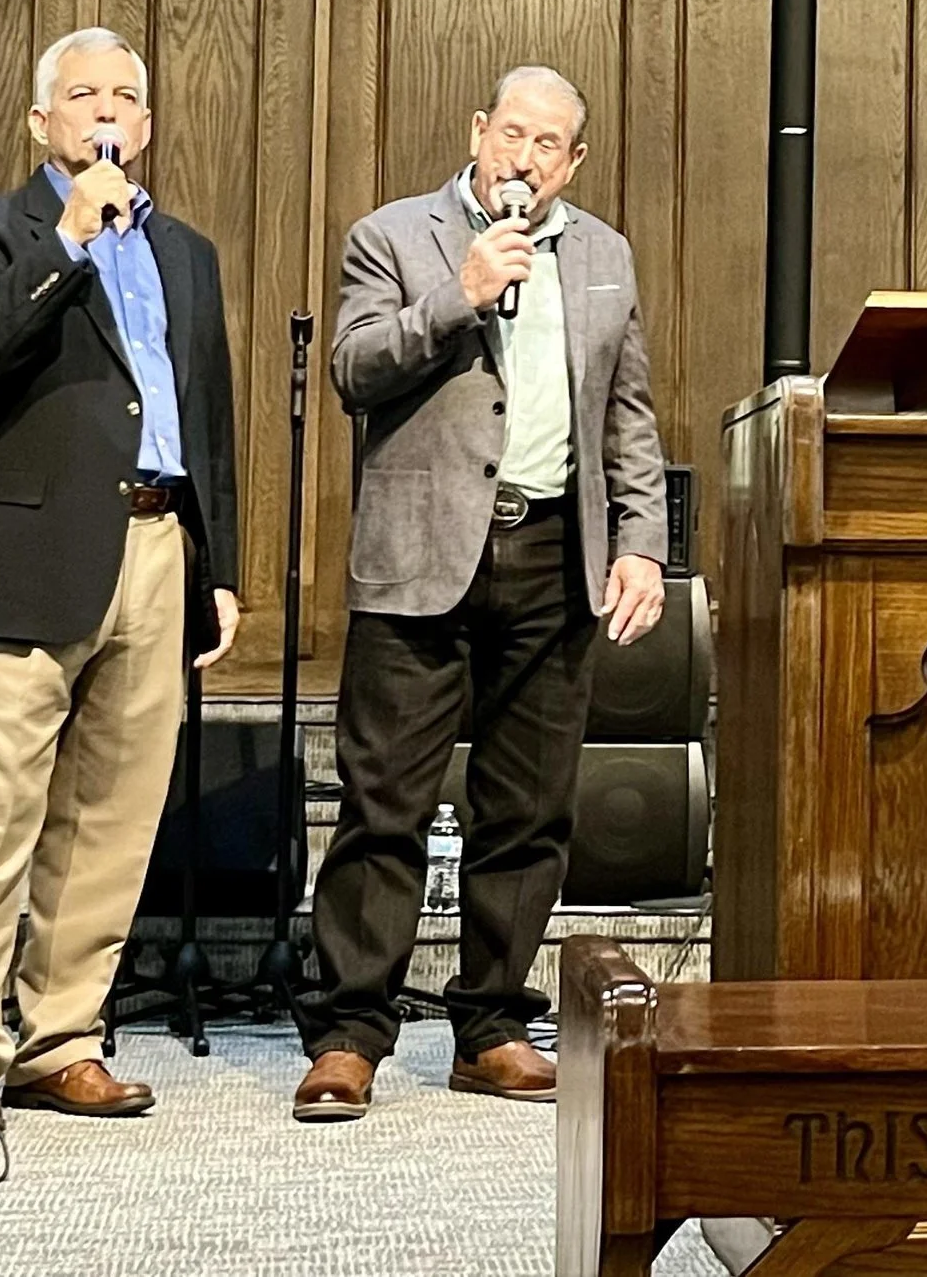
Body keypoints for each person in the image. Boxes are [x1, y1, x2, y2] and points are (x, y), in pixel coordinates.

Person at [293, 64, 668, 1121]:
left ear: (572, 162)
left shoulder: (604, 255)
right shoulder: (393, 235)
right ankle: (350, 1033)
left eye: (548, 145)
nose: (525, 159)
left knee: (530, 809)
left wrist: (640, 542)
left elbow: (628, 413)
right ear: (477, 132)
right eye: (512, 135)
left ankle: (492, 1025)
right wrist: (458, 295)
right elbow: (355, 369)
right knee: (384, 805)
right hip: (421, 556)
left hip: (554, 555)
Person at [0, 27, 241, 1138]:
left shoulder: (187, 251)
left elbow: (206, 412)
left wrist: (218, 568)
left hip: (157, 546)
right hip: (27, 555)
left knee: (111, 821)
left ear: (144, 125)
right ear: (41, 119)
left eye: (124, 96)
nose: (105, 111)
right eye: (83, 93)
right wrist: (66, 240)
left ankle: (61, 1038)